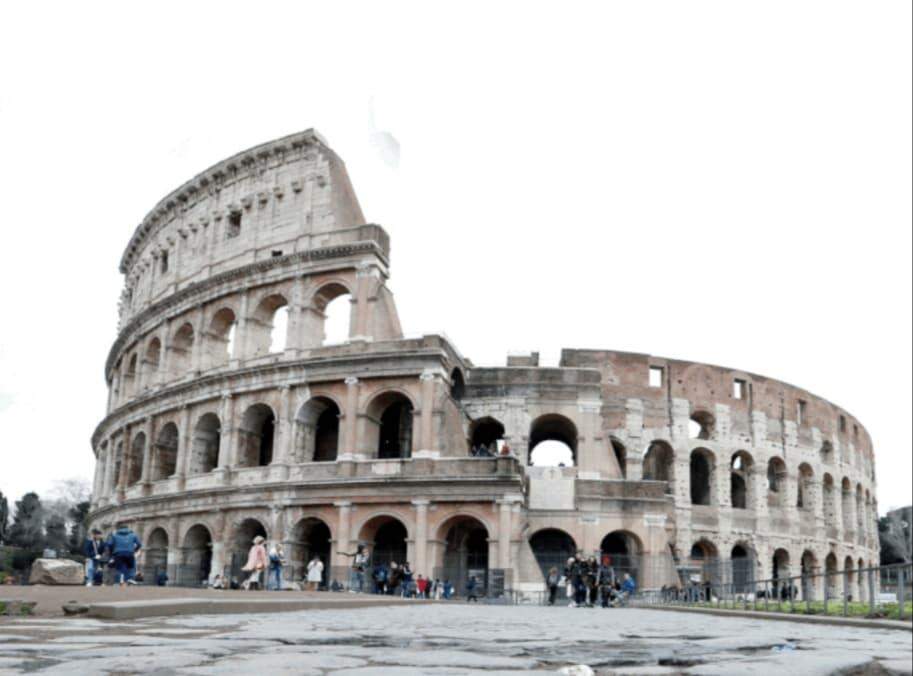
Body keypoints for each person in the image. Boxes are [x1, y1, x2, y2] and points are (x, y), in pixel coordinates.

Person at [105, 523, 142, 588]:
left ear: (119, 529)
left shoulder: (115, 535)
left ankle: (118, 582)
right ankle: (129, 579)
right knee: (130, 568)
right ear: (127, 528)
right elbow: (139, 544)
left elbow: (109, 545)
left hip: (118, 553)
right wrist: (134, 550)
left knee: (119, 569)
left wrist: (111, 553)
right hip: (130, 553)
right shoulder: (133, 535)